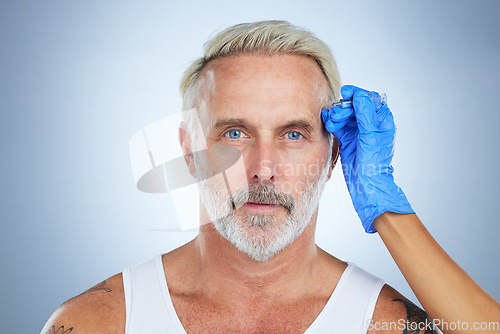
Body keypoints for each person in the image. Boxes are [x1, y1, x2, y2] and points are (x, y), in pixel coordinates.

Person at [41, 20, 500, 334]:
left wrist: (389, 210)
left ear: (335, 154)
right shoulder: (99, 321)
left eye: (294, 134)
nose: (263, 167)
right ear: (189, 151)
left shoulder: (383, 322)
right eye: (235, 133)